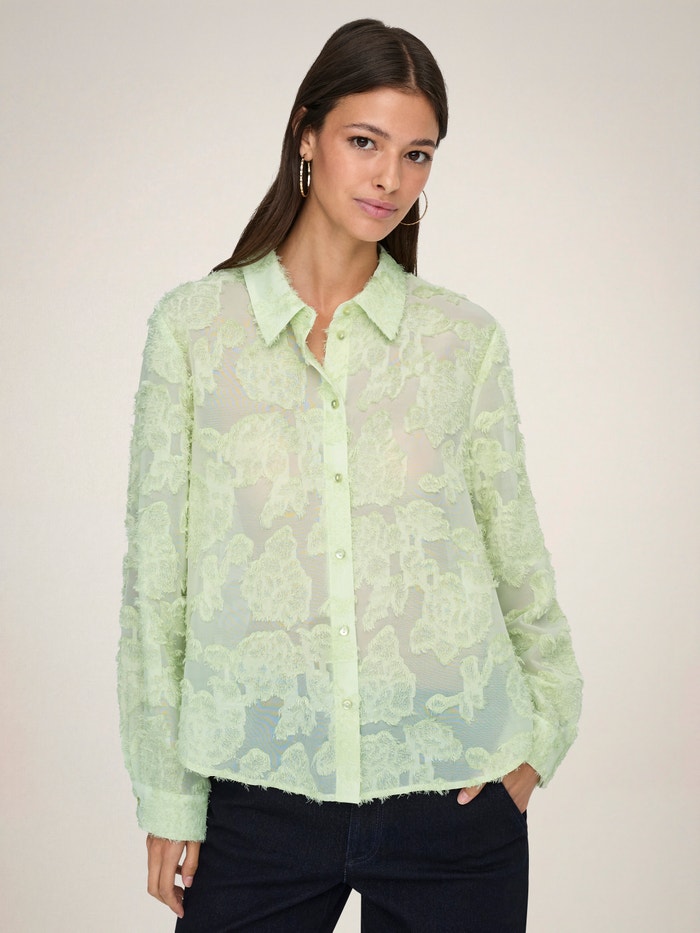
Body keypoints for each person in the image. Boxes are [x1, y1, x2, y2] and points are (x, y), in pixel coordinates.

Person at [118, 18, 582, 933]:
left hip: (454, 792)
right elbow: (156, 589)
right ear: (307, 135)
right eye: (365, 142)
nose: (390, 179)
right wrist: (167, 794)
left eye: (417, 154)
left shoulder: (462, 342)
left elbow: (517, 562)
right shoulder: (194, 332)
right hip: (255, 798)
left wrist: (540, 739)